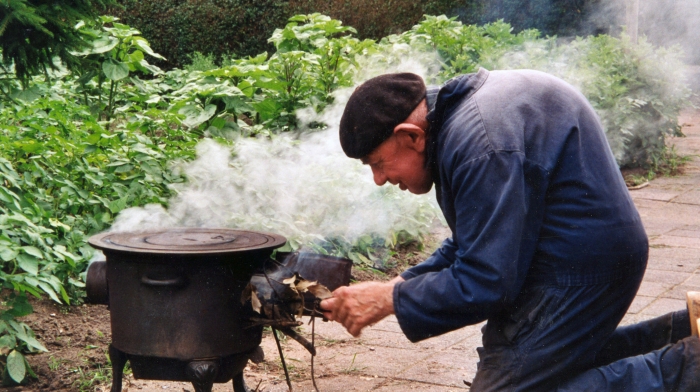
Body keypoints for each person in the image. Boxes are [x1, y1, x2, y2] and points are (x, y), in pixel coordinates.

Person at [320, 69, 700, 391]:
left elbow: (486, 280)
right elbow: (477, 240)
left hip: (580, 267)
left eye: (378, 163)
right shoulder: (458, 123)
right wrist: (396, 286)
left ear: (411, 136)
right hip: (575, 251)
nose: (379, 180)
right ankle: (682, 331)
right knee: (541, 370)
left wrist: (390, 301)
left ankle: (684, 366)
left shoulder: (479, 145)